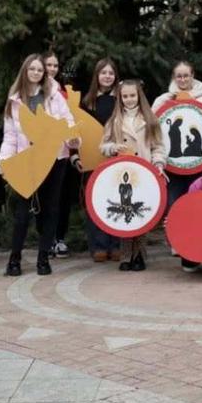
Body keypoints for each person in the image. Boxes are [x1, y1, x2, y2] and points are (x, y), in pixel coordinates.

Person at [0, 54, 79, 277]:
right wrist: (5, 161)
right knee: (23, 213)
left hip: (55, 160)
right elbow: (10, 135)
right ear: (25, 71)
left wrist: (73, 139)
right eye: (32, 69)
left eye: (39, 70)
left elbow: (68, 122)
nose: (36, 73)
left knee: (51, 209)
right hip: (28, 161)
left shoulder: (54, 96)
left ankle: (43, 258)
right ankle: (14, 259)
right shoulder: (15, 100)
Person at [101, 79, 166, 270]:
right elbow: (102, 145)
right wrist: (113, 147)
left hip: (144, 173)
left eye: (132, 95)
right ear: (120, 98)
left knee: (141, 213)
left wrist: (159, 164)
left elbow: (158, 147)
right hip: (123, 175)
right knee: (125, 211)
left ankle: (139, 255)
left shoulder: (150, 119)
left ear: (139, 96)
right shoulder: (114, 121)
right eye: (125, 96)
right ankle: (125, 256)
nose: (129, 99)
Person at [152, 61, 202, 210]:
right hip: (171, 164)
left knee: (197, 205)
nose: (183, 80)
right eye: (179, 76)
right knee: (174, 205)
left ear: (192, 76)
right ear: (174, 77)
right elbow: (151, 125)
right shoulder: (163, 100)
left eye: (186, 76)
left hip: (198, 164)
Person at [44, 52, 83, 259]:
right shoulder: (32, 91)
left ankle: (59, 238)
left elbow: (72, 124)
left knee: (63, 199)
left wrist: (74, 153)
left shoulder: (64, 93)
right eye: (48, 65)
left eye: (55, 65)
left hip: (64, 153)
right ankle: (46, 239)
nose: (52, 69)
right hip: (42, 153)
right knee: (45, 200)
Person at [82, 57, 120, 261]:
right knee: (95, 201)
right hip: (93, 158)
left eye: (111, 73)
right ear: (97, 76)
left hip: (116, 157)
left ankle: (115, 244)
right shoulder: (87, 101)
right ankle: (98, 245)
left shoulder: (121, 100)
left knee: (117, 199)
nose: (107, 76)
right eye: (103, 72)